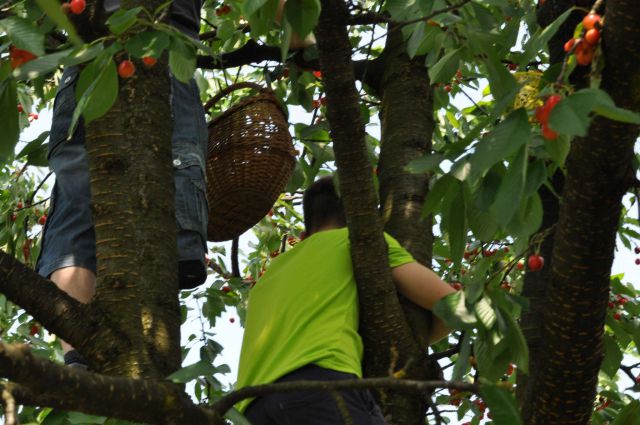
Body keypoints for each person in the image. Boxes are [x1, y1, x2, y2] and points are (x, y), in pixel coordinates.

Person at [36, 0, 209, 368]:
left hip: (88, 62)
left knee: (76, 206)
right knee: (170, 168)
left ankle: (79, 357)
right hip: (161, 53)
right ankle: (168, 264)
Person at [235, 176, 456, 425]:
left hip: (251, 409)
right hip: (319, 387)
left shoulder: (266, 278)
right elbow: (451, 305)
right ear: (366, 223)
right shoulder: (360, 242)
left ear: (304, 235)